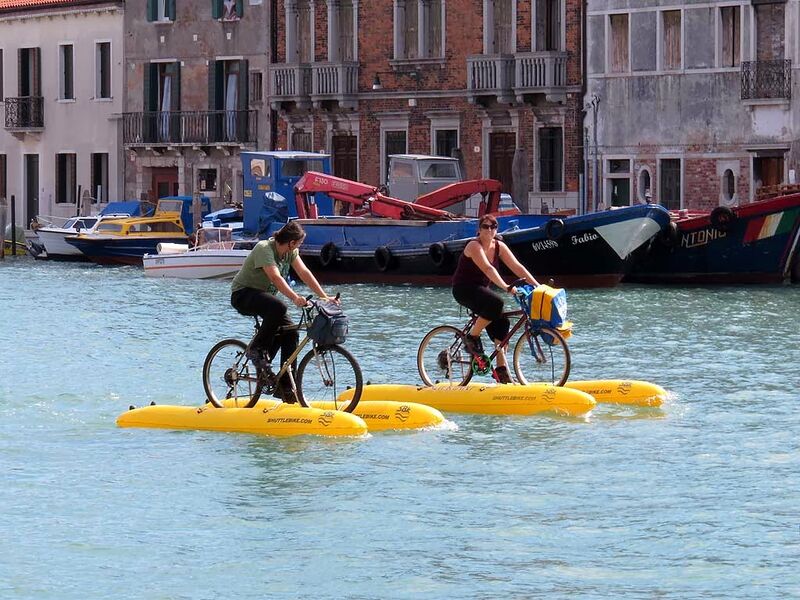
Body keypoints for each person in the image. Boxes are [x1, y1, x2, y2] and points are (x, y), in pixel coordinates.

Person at [230, 221, 336, 402]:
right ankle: (256, 350)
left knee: (291, 332)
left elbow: (305, 273)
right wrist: (295, 298)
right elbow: (275, 277)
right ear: (291, 242)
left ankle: (285, 388)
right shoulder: (264, 248)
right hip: (243, 295)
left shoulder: (290, 252)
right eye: (299, 244)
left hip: (265, 299)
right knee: (279, 307)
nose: (299, 247)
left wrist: (325, 298)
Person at [452, 214, 539, 384]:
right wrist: (507, 287)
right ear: (479, 229)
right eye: (485, 226)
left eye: (493, 227)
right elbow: (488, 268)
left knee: (503, 322)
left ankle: (501, 370)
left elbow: (517, 267)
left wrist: (538, 286)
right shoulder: (473, 246)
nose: (489, 230)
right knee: (497, 302)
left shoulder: (499, 246)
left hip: (481, 290)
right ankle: (472, 337)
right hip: (463, 289)